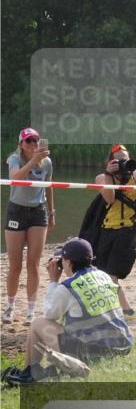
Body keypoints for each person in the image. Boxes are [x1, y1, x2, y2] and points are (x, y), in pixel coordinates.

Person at [4, 237, 132, 385]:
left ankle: (29, 372)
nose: (61, 265)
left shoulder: (68, 287)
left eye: (62, 260)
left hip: (95, 353)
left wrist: (53, 282)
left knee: (38, 323)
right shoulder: (104, 276)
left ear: (69, 263)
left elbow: (50, 315)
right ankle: (32, 371)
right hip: (122, 346)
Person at [4, 128, 55, 325]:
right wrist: (33, 162)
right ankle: (10, 306)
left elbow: (49, 187)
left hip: (37, 212)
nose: (33, 144)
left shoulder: (47, 162)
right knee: (15, 265)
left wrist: (52, 213)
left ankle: (31, 310)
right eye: (28, 141)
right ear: (21, 144)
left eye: (35, 141)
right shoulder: (14, 159)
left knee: (33, 264)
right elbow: (14, 178)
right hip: (16, 210)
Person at [94, 145, 136, 320]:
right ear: (109, 161)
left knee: (111, 276)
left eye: (124, 158)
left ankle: (126, 311)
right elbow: (109, 199)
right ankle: (120, 311)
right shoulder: (101, 178)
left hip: (128, 229)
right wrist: (110, 175)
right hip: (106, 229)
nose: (122, 162)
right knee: (102, 275)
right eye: (117, 159)